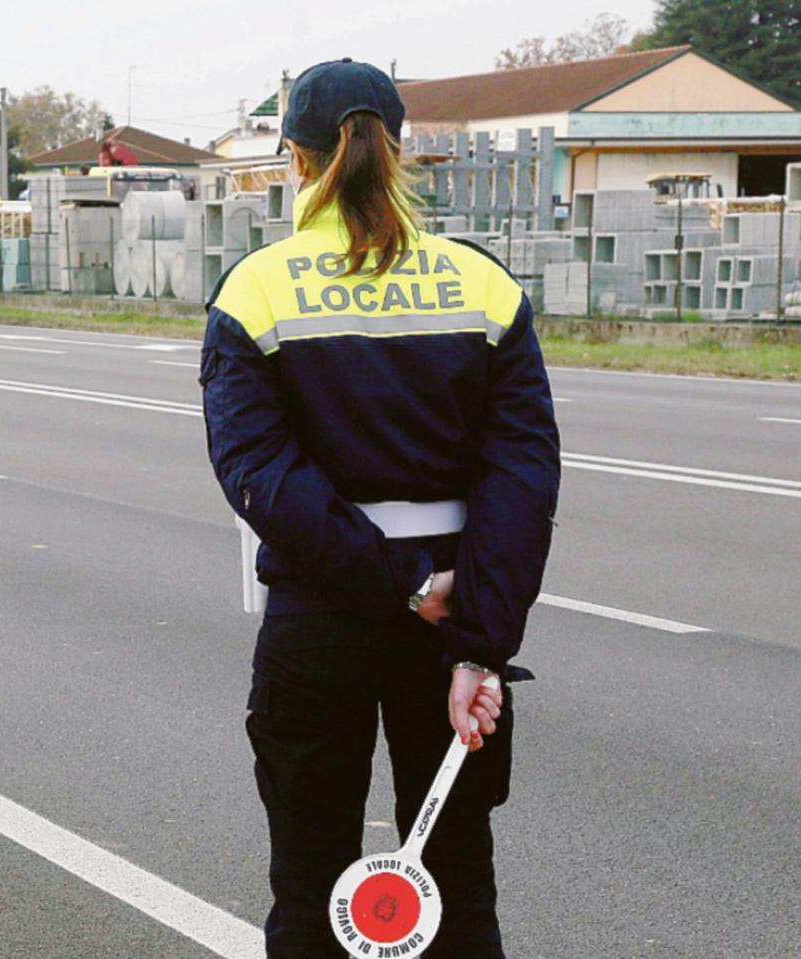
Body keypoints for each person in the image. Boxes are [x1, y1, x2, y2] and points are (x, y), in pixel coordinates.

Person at [199, 58, 560, 958]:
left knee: (311, 888)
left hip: (320, 620)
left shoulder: (258, 289)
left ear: (294, 157)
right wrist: (478, 635)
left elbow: (259, 474)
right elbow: (525, 474)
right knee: (456, 894)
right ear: (399, 150)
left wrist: (398, 581)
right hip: (451, 625)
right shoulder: (482, 286)